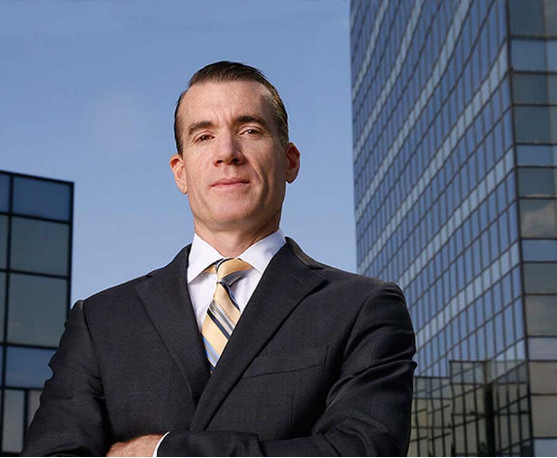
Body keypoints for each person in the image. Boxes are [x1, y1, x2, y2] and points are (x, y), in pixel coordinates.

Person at [22, 61, 416, 457]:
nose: (227, 153)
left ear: (290, 161)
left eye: (250, 130)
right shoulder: (100, 320)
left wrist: (164, 452)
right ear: (180, 172)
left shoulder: (363, 308)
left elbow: (362, 451)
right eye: (204, 136)